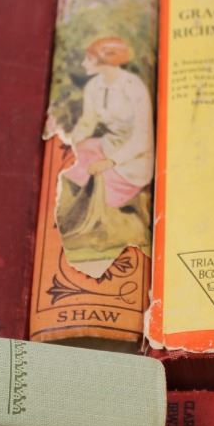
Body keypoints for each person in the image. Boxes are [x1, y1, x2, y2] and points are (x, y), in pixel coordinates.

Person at [53, 36, 154, 274]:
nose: (85, 63)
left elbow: (142, 135)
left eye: (89, 58)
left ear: (105, 60)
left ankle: (109, 229)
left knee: (99, 181)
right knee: (73, 172)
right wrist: (70, 140)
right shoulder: (94, 86)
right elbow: (88, 122)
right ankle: (76, 225)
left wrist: (111, 161)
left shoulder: (133, 87)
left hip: (134, 157)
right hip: (108, 145)